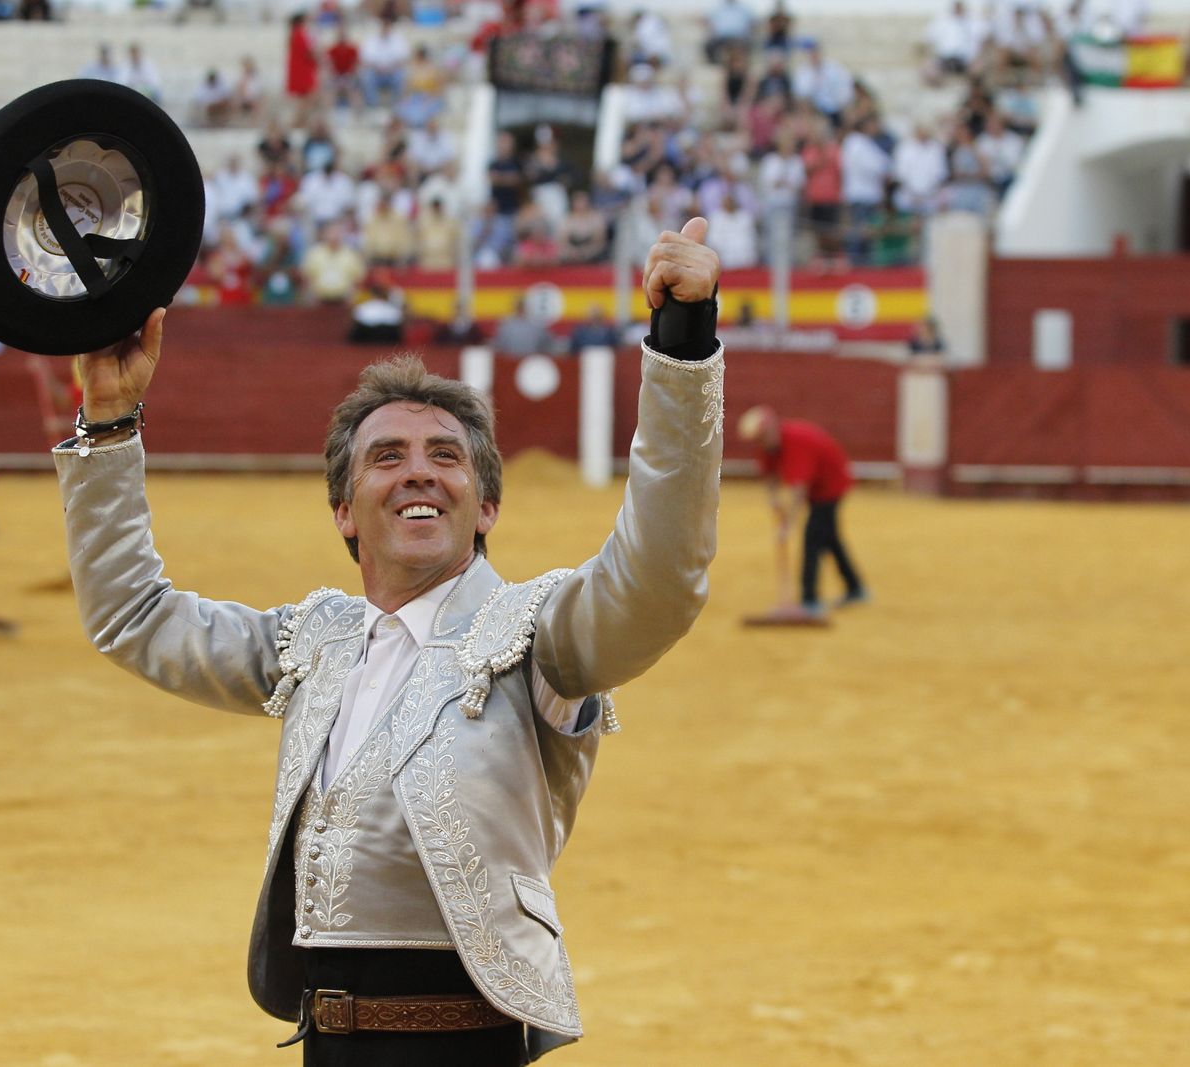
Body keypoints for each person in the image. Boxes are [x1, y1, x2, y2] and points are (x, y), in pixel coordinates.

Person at [52, 219, 724, 1065]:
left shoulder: (536, 635)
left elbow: (659, 578)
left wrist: (683, 347)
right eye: (387, 456)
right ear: (344, 510)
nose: (418, 471)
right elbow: (134, 616)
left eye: (448, 456)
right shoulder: (315, 641)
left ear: (484, 509)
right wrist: (110, 419)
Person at [738, 405, 867, 614]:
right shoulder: (769, 444)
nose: (759, 443)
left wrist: (787, 524)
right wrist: (774, 502)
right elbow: (770, 476)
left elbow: (798, 490)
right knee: (829, 538)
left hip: (831, 486)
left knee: (813, 537)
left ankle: (810, 600)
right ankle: (855, 588)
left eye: (761, 438)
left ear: (770, 430)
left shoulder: (795, 442)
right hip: (817, 487)